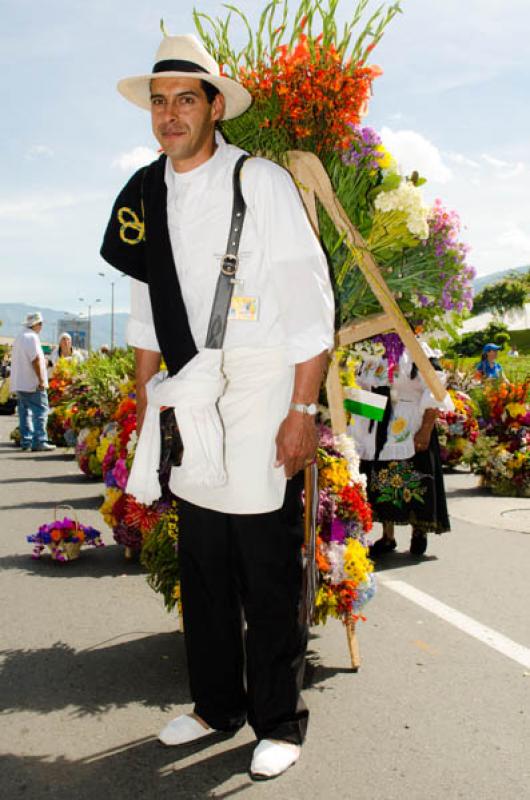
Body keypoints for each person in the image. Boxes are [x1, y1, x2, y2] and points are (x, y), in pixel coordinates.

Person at [101, 33, 334, 780]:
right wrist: (141, 411)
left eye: (185, 100)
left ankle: (279, 720)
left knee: (265, 567)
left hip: (263, 390)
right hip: (187, 401)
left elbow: (309, 301)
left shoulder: (256, 180)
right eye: (159, 102)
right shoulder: (143, 191)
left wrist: (302, 410)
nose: (170, 115)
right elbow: (143, 311)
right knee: (202, 566)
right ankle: (214, 706)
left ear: (213, 107)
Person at [350, 337, 452, 557]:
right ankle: (388, 535)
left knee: (416, 475)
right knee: (382, 479)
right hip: (380, 423)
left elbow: (436, 388)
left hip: (411, 422)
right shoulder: (372, 351)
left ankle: (419, 531)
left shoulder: (419, 350)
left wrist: (425, 428)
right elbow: (363, 387)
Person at [10, 312, 56, 451]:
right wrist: (41, 380)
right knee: (41, 411)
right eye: (40, 324)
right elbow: (35, 359)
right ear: (36, 324)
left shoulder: (20, 337)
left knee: (25, 413)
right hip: (32, 383)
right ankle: (39, 441)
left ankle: (26, 441)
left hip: (20, 383)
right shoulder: (32, 337)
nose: (41, 327)